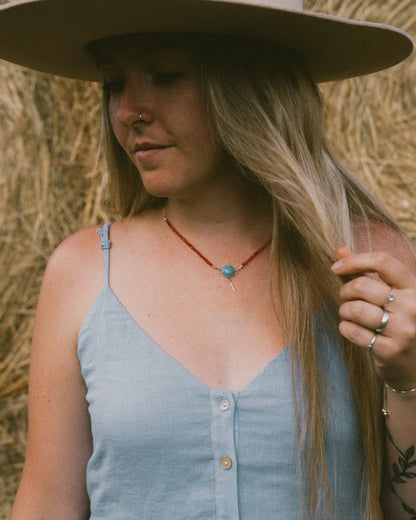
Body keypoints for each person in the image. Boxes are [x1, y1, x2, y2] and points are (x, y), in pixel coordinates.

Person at [0, 0, 415, 518]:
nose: (127, 110)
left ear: (251, 84)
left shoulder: (369, 266)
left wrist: (409, 383)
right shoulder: (82, 272)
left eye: (166, 75)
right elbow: (46, 506)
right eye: (112, 84)